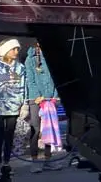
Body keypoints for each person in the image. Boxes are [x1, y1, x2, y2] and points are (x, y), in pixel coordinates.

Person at [0, 39, 26, 171]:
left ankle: (6, 160)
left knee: (10, 134)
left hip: (14, 106)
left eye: (17, 49)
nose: (16, 51)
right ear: (6, 50)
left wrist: (24, 104)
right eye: (13, 49)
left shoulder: (20, 68)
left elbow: (23, 86)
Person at [24, 43, 61, 173]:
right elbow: (30, 80)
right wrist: (37, 97)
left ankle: (48, 159)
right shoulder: (30, 59)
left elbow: (58, 79)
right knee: (36, 128)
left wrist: (56, 96)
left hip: (51, 99)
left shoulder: (54, 57)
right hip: (36, 99)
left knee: (49, 129)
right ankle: (34, 161)